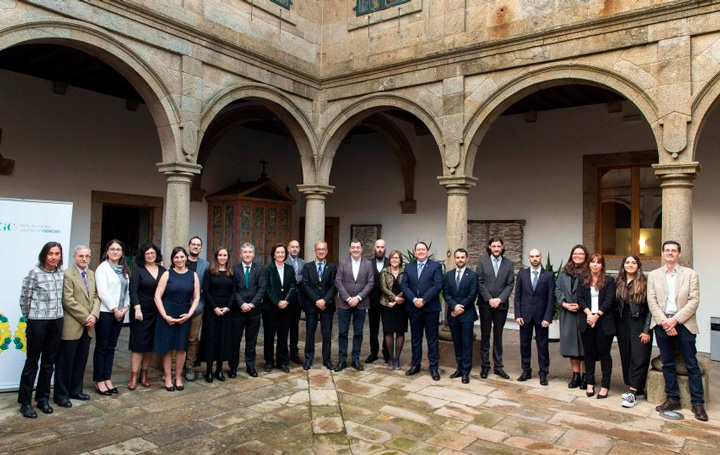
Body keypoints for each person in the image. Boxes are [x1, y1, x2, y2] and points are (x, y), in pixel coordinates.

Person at [648, 240, 708, 421]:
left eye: (674, 250)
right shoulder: (654, 275)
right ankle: (673, 398)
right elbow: (652, 301)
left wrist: (675, 320)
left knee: (691, 363)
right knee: (667, 362)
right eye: (667, 250)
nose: (670, 253)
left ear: (679, 254)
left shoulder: (690, 274)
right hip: (662, 322)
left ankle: (697, 403)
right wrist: (665, 322)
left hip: (684, 323)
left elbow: (694, 301)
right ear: (663, 253)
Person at [17, 242, 65, 419]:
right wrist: (30, 318)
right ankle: (25, 402)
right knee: (32, 362)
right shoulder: (34, 273)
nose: (54, 257)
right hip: (37, 322)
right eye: (50, 253)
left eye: (57, 254)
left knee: (48, 362)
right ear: (44, 255)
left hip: (56, 321)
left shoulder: (61, 273)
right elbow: (25, 298)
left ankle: (42, 399)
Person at [54, 245, 100, 408]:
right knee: (65, 362)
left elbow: (96, 296)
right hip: (72, 325)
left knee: (81, 360)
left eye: (87, 256)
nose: (84, 259)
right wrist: (85, 316)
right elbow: (68, 300)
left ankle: (76, 390)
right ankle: (61, 395)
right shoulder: (67, 274)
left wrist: (94, 315)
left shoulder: (92, 274)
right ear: (74, 257)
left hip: (88, 326)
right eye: (81, 256)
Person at [154, 246, 200, 392]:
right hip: (167, 314)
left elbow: (197, 297)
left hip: (184, 315)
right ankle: (168, 377)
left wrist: (189, 314)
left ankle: (178, 377)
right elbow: (157, 296)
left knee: (181, 348)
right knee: (167, 347)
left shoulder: (193, 275)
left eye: (182, 257)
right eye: (176, 257)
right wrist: (164, 315)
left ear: (186, 258)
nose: (179, 260)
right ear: (172, 259)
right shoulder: (167, 274)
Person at [401, 241, 443, 381]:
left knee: (432, 339)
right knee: (416, 338)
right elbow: (404, 286)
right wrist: (414, 300)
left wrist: (423, 300)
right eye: (418, 249)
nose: (420, 251)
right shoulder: (409, 267)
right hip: (414, 308)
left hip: (430, 308)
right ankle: (416, 364)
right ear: (414, 252)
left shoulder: (435, 266)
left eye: (423, 249)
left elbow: (437, 286)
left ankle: (434, 367)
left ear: (427, 251)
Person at [615, 254, 652, 408]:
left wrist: (647, 330)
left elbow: (650, 309)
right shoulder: (619, 282)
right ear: (623, 265)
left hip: (639, 323)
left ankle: (633, 392)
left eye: (633, 263)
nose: (630, 265)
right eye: (627, 262)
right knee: (626, 355)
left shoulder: (645, 282)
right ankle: (635, 386)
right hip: (623, 323)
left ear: (638, 265)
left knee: (639, 356)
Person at [93, 239, 130, 396]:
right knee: (102, 346)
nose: (115, 251)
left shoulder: (124, 269)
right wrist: (115, 309)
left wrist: (125, 307)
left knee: (111, 347)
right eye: (112, 249)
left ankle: (107, 378)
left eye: (118, 249)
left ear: (122, 253)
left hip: (120, 313)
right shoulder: (102, 269)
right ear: (107, 251)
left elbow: (126, 291)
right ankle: (99, 380)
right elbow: (102, 292)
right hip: (106, 313)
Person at [514, 248, 555, 386]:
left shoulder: (548, 276)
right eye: (532, 256)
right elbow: (517, 296)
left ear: (541, 257)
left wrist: (548, 317)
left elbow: (551, 298)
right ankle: (526, 371)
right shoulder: (522, 274)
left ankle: (543, 373)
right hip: (524, 316)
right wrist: (517, 314)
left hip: (541, 316)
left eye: (537, 256)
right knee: (524, 344)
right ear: (529, 258)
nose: (535, 258)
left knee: (542, 346)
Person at [127, 243, 165, 390]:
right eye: (147, 253)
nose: (150, 255)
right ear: (143, 255)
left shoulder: (163, 270)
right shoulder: (138, 270)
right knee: (138, 345)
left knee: (149, 346)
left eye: (153, 253)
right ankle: (133, 376)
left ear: (156, 255)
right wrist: (137, 308)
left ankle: (144, 374)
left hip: (156, 313)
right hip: (140, 313)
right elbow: (133, 290)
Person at [578, 253, 616, 399]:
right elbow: (579, 298)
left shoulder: (609, 280)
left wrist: (596, 315)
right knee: (589, 354)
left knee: (605, 354)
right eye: (592, 262)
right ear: (589, 264)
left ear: (602, 265)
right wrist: (589, 314)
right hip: (587, 320)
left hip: (603, 321)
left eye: (598, 262)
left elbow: (609, 300)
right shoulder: (583, 279)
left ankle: (605, 386)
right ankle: (590, 383)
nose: (595, 264)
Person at [476, 237, 515, 379]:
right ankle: (485, 366)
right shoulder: (482, 262)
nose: (496, 249)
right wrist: (489, 299)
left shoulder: (509, 264)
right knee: (485, 335)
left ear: (502, 247)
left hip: (501, 305)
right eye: (494, 246)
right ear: (489, 247)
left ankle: (498, 366)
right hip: (485, 304)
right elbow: (479, 282)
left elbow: (510, 284)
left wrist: (499, 299)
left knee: (498, 336)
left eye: (499, 246)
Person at [334, 239, 374, 372]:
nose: (355, 250)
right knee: (343, 332)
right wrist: (347, 298)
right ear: (349, 249)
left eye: (358, 247)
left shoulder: (368, 264)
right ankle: (342, 360)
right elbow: (338, 281)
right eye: (353, 247)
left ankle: (355, 359)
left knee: (358, 333)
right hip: (344, 304)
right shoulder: (343, 263)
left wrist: (358, 298)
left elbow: (370, 283)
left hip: (361, 303)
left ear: (362, 249)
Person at [299, 241, 337, 370]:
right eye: (318, 249)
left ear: (326, 251)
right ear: (315, 251)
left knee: (326, 333)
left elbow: (334, 286)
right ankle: (308, 359)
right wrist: (317, 300)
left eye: (323, 249)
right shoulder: (307, 267)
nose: (321, 251)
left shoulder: (332, 267)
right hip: (311, 305)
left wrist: (324, 300)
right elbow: (305, 285)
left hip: (327, 306)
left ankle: (327, 360)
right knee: (310, 333)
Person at [230, 242, 266, 377]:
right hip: (238, 311)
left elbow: (262, 288)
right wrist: (242, 304)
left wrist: (251, 305)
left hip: (254, 312)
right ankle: (233, 367)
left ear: (254, 254)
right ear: (240, 254)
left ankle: (250, 366)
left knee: (251, 341)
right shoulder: (234, 269)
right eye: (245, 252)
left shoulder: (260, 269)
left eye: (250, 252)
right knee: (235, 341)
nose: (247, 254)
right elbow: (233, 290)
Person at [555, 244, 589, 389]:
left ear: (586, 256)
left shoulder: (589, 272)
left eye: (581, 254)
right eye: (575, 253)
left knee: (585, 345)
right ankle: (576, 376)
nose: (578, 256)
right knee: (572, 346)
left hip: (584, 313)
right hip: (568, 313)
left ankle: (587, 376)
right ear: (571, 255)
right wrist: (564, 303)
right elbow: (557, 289)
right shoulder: (564, 271)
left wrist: (581, 305)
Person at [445, 249, 479, 384]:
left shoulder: (472, 275)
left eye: (462, 257)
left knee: (467, 344)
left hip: (467, 315)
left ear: (467, 258)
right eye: (457, 257)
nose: (460, 259)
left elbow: (473, 295)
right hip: (453, 315)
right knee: (457, 343)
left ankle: (466, 372)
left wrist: (460, 308)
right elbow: (446, 293)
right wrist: (454, 306)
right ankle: (459, 368)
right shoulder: (448, 275)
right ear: (454, 259)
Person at [200, 247, 234, 382]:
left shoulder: (231, 272)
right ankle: (209, 370)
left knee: (223, 340)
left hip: (226, 312)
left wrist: (228, 307)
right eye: (220, 255)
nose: (222, 257)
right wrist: (214, 307)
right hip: (212, 312)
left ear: (228, 257)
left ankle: (219, 369)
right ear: (216, 256)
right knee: (211, 340)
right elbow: (206, 291)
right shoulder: (210, 272)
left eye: (225, 255)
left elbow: (234, 292)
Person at [263, 243, 297, 373]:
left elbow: (293, 285)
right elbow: (267, 288)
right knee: (269, 335)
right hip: (270, 307)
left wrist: (286, 300)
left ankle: (282, 361)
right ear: (273, 254)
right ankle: (269, 361)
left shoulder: (289, 268)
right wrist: (277, 301)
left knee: (283, 335)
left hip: (286, 308)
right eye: (278, 252)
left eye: (283, 252)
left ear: (285, 254)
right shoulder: (267, 269)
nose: (280, 254)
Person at [184, 236, 209, 382]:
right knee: (179, 337)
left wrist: (202, 305)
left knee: (193, 338)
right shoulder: (180, 259)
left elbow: (206, 287)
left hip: (197, 308)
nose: (195, 247)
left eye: (198, 245)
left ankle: (189, 366)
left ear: (201, 248)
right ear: (188, 246)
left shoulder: (204, 265)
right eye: (193, 244)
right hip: (180, 307)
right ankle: (176, 367)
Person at [380, 250, 407, 371]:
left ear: (400, 259)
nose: (395, 260)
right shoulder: (384, 271)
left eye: (397, 258)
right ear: (389, 259)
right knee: (389, 332)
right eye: (392, 258)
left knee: (400, 332)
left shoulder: (405, 272)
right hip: (387, 305)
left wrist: (397, 300)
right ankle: (390, 358)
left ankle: (397, 358)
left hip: (401, 306)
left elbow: (407, 286)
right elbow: (383, 288)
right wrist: (393, 299)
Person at [367, 239, 390, 364]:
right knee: (373, 328)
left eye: (382, 247)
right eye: (378, 247)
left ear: (385, 248)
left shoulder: (390, 262)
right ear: (374, 248)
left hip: (387, 302)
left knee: (387, 328)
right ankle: (373, 353)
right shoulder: (368, 263)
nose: (380, 249)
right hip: (373, 301)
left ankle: (386, 352)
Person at [286, 239, 305, 365]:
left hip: (298, 301)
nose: (294, 249)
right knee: (282, 328)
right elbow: (287, 279)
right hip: (285, 300)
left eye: (297, 247)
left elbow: (306, 278)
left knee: (294, 328)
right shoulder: (283, 261)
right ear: (288, 248)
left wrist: (294, 278)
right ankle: (282, 353)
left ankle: (294, 352)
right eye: (292, 246)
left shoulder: (303, 263)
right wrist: (297, 279)